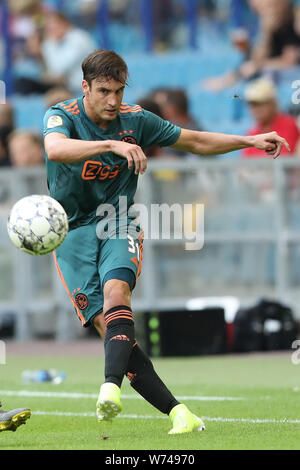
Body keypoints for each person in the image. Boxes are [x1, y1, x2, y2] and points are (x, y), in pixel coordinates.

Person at [43, 49, 289, 435]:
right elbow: (55, 149)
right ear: (85, 87)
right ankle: (179, 413)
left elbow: (195, 141)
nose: (113, 100)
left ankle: (109, 387)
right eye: (104, 91)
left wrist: (250, 140)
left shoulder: (135, 120)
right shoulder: (62, 115)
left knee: (116, 294)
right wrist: (111, 146)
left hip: (116, 221)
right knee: (110, 333)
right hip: (70, 232)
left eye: (119, 91)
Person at [242, 78, 300, 157]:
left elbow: (285, 159)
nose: (255, 109)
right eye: (252, 105)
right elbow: (245, 164)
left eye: (260, 104)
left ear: (273, 103)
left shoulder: (290, 125)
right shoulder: (252, 134)